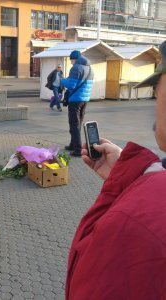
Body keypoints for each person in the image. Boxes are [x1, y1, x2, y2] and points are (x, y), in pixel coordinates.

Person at [65, 41, 166, 300]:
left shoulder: (135, 223)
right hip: (85, 98)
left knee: (74, 127)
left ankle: (75, 146)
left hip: (75, 98)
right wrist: (129, 177)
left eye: (159, 85)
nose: (155, 96)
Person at [61, 50, 93, 157]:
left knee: (74, 124)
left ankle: (78, 150)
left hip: (75, 100)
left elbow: (71, 85)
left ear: (74, 59)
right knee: (78, 124)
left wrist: (62, 80)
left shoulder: (76, 67)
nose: (71, 63)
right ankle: (73, 144)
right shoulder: (90, 68)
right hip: (84, 99)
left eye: (71, 60)